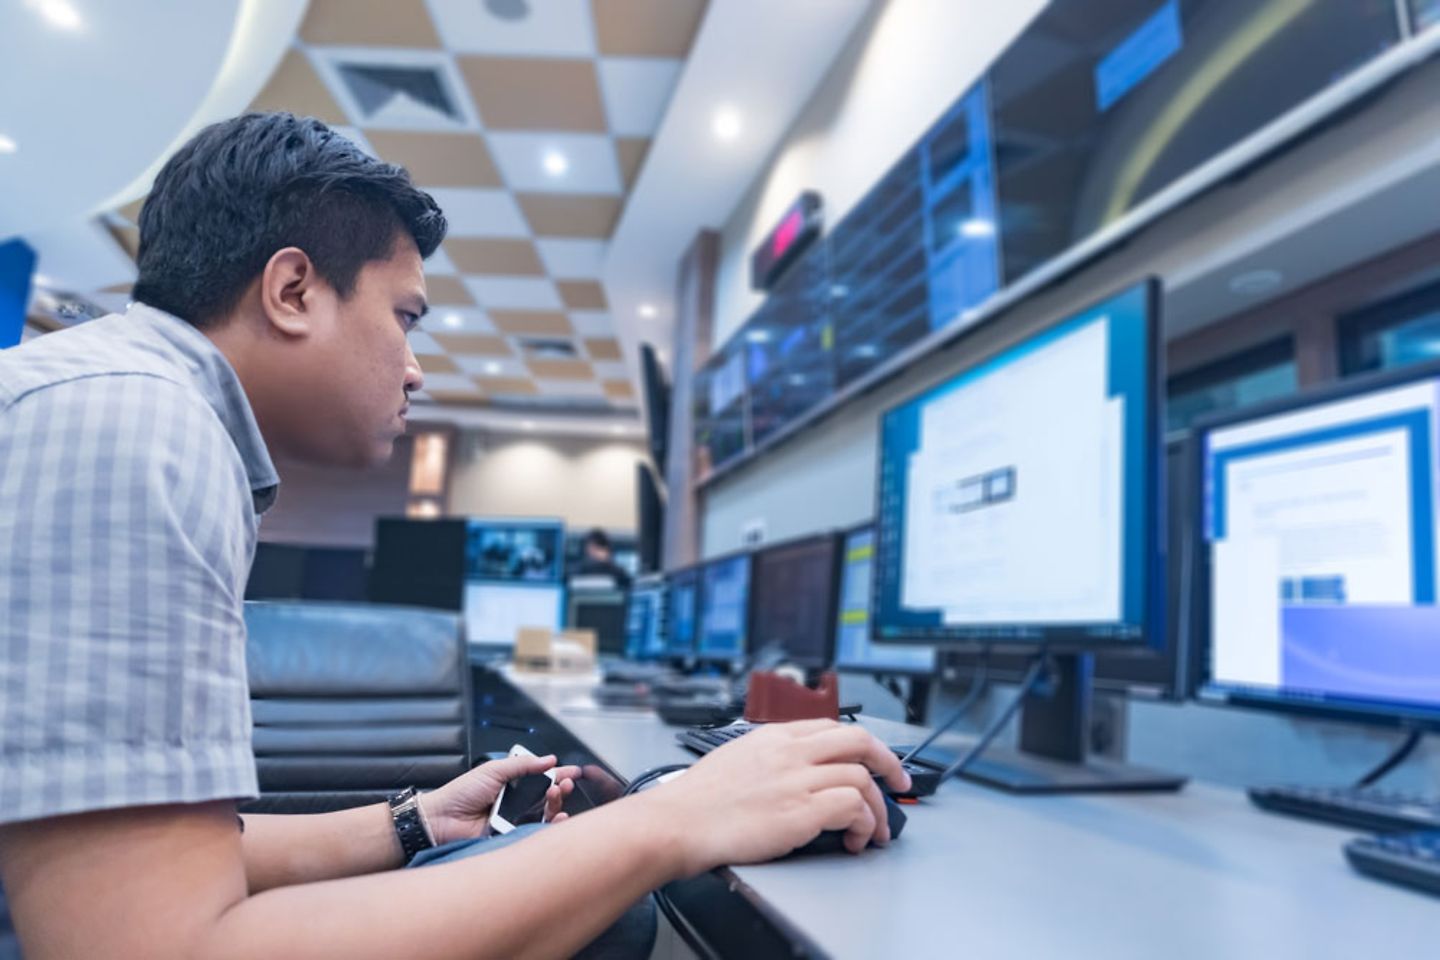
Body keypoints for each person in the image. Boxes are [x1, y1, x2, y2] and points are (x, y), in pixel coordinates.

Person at [0, 112, 909, 960]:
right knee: (620, 915)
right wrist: (674, 821)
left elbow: (155, 863)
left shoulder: (127, 407)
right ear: (291, 290)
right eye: (404, 317)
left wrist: (413, 825)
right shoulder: (130, 428)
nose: (416, 368)